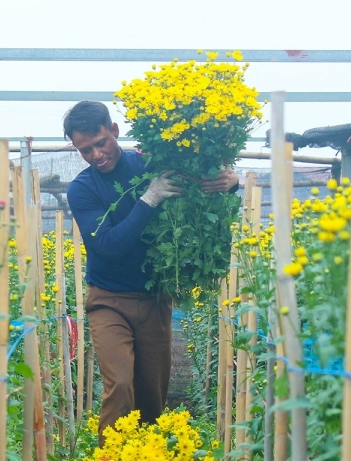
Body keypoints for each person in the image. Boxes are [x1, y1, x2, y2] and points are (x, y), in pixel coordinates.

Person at [63, 100, 238, 442]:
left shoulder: (150, 164)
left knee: (152, 394)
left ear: (114, 131)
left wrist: (228, 183)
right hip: (108, 301)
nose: (97, 155)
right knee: (120, 383)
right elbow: (108, 246)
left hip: (155, 298)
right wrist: (149, 199)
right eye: (86, 150)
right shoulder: (82, 189)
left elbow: (197, 186)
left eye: (101, 143)